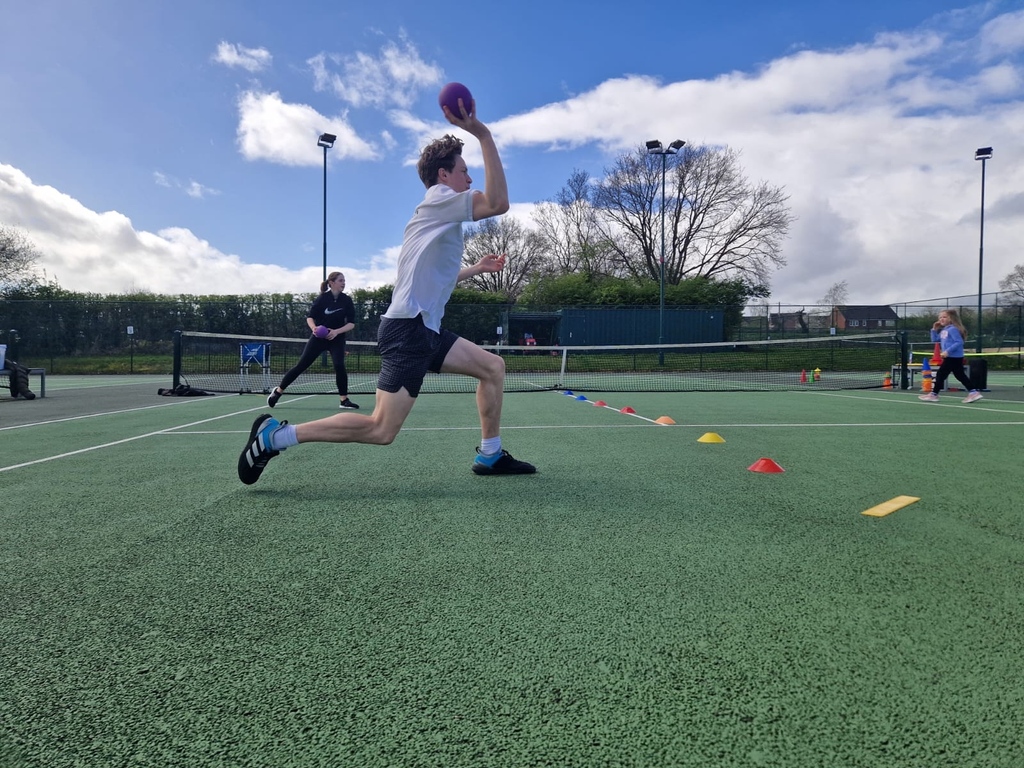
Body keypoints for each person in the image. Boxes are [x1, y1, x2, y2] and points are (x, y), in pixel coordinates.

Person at [237, 93, 536, 484]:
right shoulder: (442, 199)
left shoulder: (438, 218)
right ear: (443, 176)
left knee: (492, 367)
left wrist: (476, 269)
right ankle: (275, 437)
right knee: (381, 429)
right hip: (409, 331)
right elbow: (498, 203)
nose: (469, 178)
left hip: (424, 328)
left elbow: (434, 279)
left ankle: (491, 455)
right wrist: (482, 133)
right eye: (464, 171)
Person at [266, 271, 360, 410]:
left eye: (344, 280)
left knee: (339, 365)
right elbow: (310, 317)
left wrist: (336, 332)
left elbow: (351, 323)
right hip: (318, 338)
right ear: (332, 283)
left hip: (336, 339)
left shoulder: (346, 300)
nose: (343, 283)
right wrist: (314, 328)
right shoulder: (322, 299)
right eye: (341, 280)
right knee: (301, 365)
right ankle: (278, 392)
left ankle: (344, 400)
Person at [919, 309, 983, 404]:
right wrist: (934, 329)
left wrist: (947, 351)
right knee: (959, 375)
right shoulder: (945, 330)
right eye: (940, 317)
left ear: (951, 318)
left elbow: (959, 342)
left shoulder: (953, 329)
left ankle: (934, 394)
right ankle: (973, 392)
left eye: (944, 317)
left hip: (953, 357)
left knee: (941, 374)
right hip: (952, 357)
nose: (941, 319)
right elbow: (935, 339)